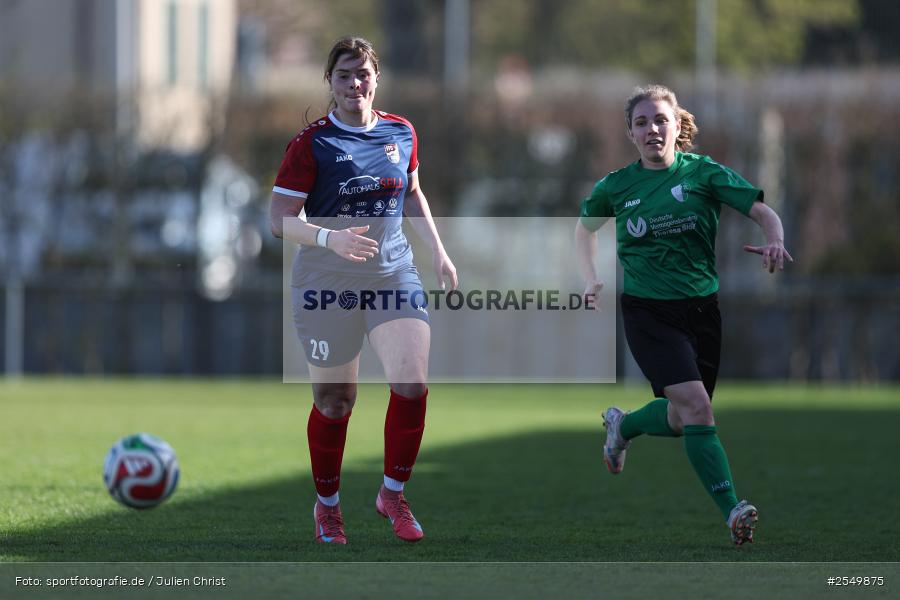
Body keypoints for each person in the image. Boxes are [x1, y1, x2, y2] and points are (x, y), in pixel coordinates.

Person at [574, 84, 792, 546]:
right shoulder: (616, 186)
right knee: (698, 408)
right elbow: (584, 229)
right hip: (648, 312)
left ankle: (624, 425)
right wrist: (590, 275)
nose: (652, 129)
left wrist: (775, 237)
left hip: (702, 310)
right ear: (630, 133)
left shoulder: (704, 174)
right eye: (641, 122)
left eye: (660, 120)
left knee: (681, 418)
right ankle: (733, 509)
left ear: (677, 127)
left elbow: (762, 211)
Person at [269, 36, 457, 544]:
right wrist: (330, 237)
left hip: (393, 274)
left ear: (377, 77)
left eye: (364, 74)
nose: (356, 84)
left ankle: (392, 493)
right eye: (345, 75)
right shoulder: (312, 143)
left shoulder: (401, 132)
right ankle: (327, 507)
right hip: (325, 283)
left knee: (412, 383)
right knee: (335, 402)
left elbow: (413, 194)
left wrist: (438, 251)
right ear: (330, 82)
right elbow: (279, 221)